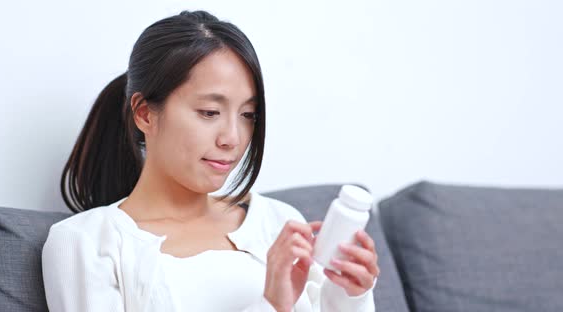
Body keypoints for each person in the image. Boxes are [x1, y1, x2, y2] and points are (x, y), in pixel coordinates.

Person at [41, 10, 379, 312]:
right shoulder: (84, 243)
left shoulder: (278, 222)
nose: (232, 137)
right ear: (144, 113)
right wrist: (271, 306)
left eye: (248, 114)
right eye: (210, 112)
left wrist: (350, 296)